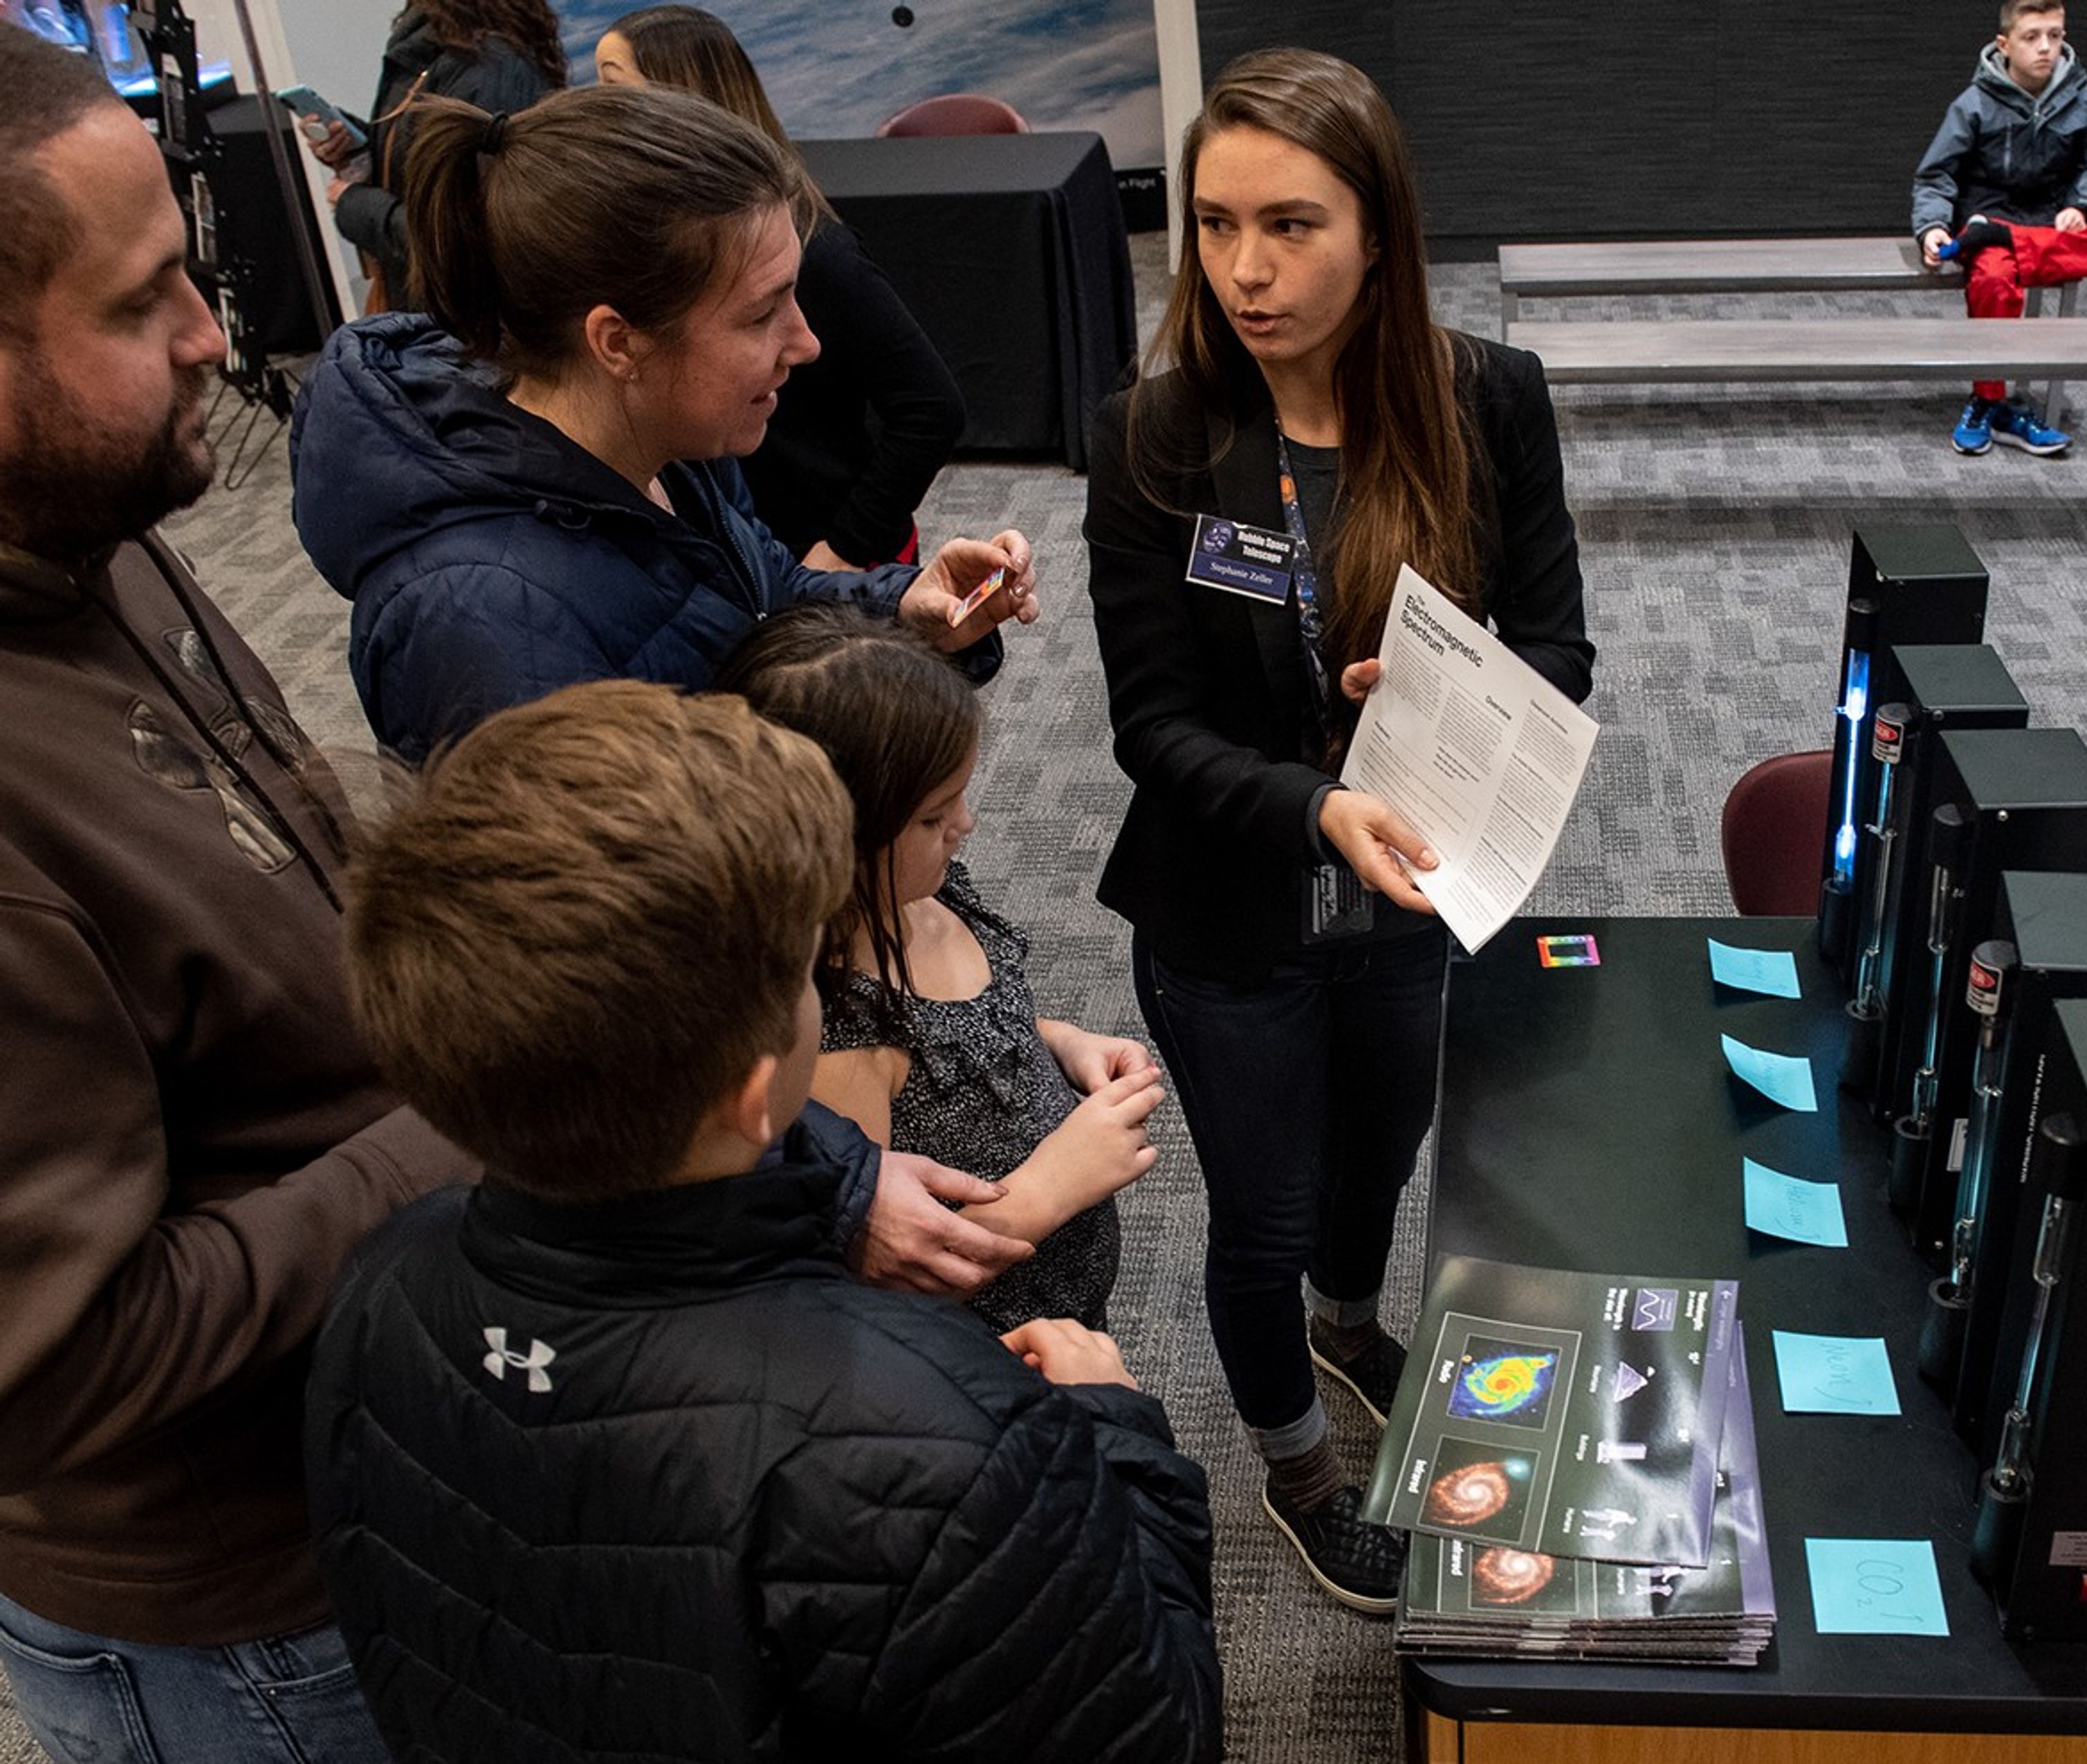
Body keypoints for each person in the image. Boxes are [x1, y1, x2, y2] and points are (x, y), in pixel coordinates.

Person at [306, 679, 1224, 1761]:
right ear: (754, 1092)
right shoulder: (933, 1438)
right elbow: (1158, 1730)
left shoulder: (378, 1293)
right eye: (802, 974)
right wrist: (1119, 1435)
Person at [0, 29, 483, 1760]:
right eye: (143, 306)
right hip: (246, 1620)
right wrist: (469, 1117)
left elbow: (268, 846)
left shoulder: (85, 517)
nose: (216, 335)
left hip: (365, 1448)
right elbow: (67, 1372)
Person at [1084, 47, 1593, 1614]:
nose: (1243, 267)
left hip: (1409, 889)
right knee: (1264, 1207)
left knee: (1381, 1150)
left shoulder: (1483, 397)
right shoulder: (1153, 437)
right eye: (1216, 223)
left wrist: (1451, 702)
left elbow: (1559, 646)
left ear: (1378, 227)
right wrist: (1319, 797)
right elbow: (1150, 730)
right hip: (1227, 909)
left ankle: (1348, 1320)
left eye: (1291, 224)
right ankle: (1301, 1468)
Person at [291, 82, 1036, 764]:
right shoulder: (477, 627)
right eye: (760, 314)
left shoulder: (668, 443)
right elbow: (613, 902)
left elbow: (757, 600)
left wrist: (902, 613)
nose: (805, 344)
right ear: (619, 343)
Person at [717, 606, 1164, 1332]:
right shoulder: (840, 1038)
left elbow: (962, 1031)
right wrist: (1051, 1187)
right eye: (932, 817)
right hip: (1001, 1346)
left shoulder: (921, 886)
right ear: (836, 836)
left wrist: (1055, 1042)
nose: (966, 825)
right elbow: (883, 1298)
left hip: (1069, 1303)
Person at [596, 4, 965, 569]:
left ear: (683, 101)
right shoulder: (658, 247)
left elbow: (932, 410)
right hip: (733, 551)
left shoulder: (818, 253)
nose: (598, 110)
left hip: (822, 557)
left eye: (615, 88)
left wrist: (844, 548)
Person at [1911, 0, 2087, 458]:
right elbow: (1936, 175)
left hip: (2046, 224)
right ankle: (1991, 401)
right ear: (2004, 44)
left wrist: (2083, 209)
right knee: (1993, 279)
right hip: (1990, 211)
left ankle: (1999, 241)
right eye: (2032, 36)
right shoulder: (1974, 103)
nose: (2046, 48)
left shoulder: (2083, 98)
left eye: (2055, 35)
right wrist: (1932, 227)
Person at [304, 0, 566, 311]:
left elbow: (471, 241)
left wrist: (357, 206)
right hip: (433, 317)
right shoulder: (432, 46)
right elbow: (421, 166)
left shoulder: (489, 68)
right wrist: (356, 146)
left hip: (468, 331)